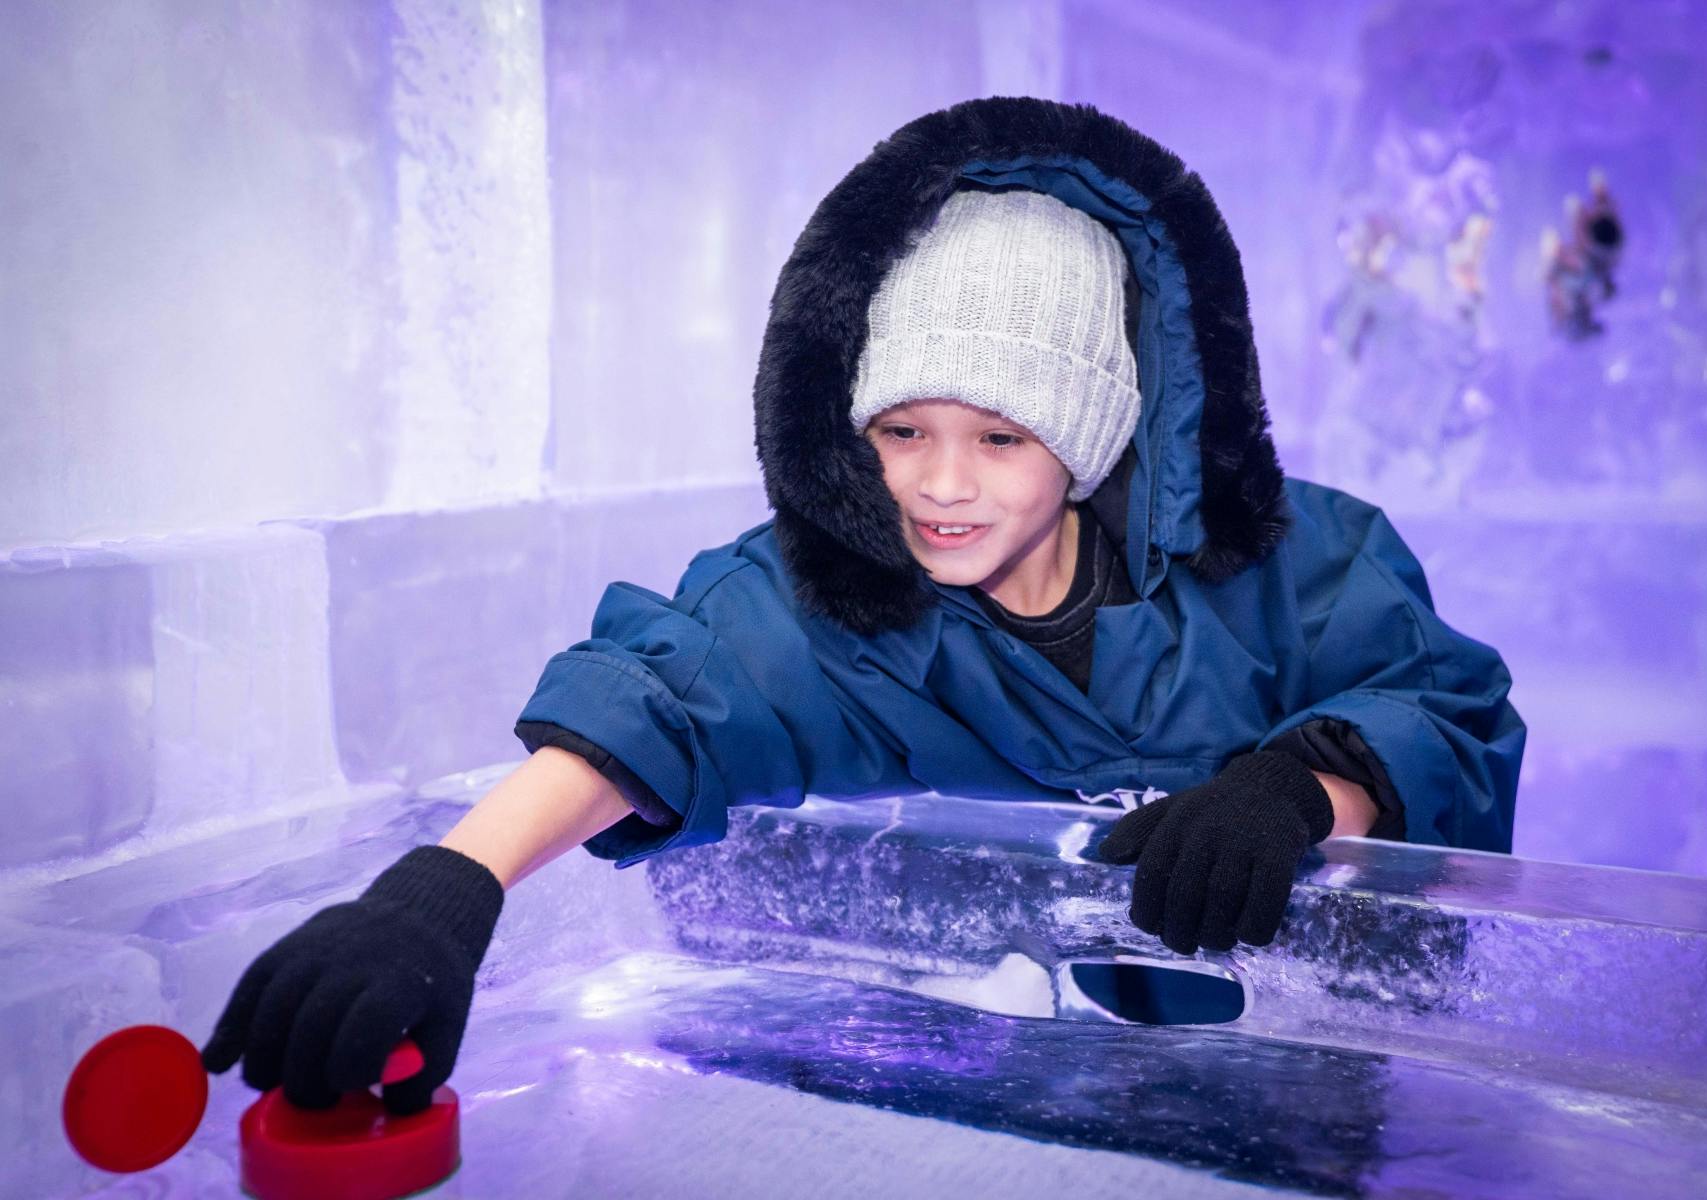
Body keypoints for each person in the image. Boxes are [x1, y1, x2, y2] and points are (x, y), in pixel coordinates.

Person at [200, 97, 1526, 1115]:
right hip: (976, 1090)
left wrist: (1300, 790)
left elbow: (1442, 705)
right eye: (901, 429)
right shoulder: (825, 598)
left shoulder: (1297, 561)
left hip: (1281, 1088)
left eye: (1002, 439)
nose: (940, 487)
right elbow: (663, 695)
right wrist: (447, 889)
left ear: (1090, 439)